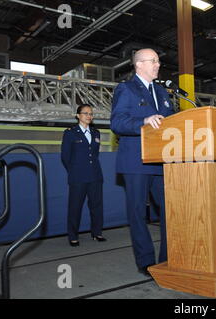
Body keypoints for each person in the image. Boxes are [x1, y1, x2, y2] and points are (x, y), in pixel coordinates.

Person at [110, 48, 175, 277]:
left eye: (158, 60)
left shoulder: (162, 92)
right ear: (139, 65)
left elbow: (172, 123)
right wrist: (144, 121)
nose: (158, 64)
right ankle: (145, 261)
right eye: (153, 61)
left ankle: (168, 258)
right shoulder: (126, 89)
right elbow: (117, 123)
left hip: (161, 161)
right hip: (135, 161)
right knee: (138, 213)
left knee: (170, 212)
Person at [61, 104, 106, 246]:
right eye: (85, 113)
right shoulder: (70, 133)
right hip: (78, 177)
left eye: (91, 114)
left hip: (95, 176)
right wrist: (75, 170)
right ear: (78, 115)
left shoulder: (96, 133)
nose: (89, 116)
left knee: (96, 206)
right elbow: (65, 157)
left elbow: (95, 154)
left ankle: (97, 233)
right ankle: (73, 236)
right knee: (75, 207)